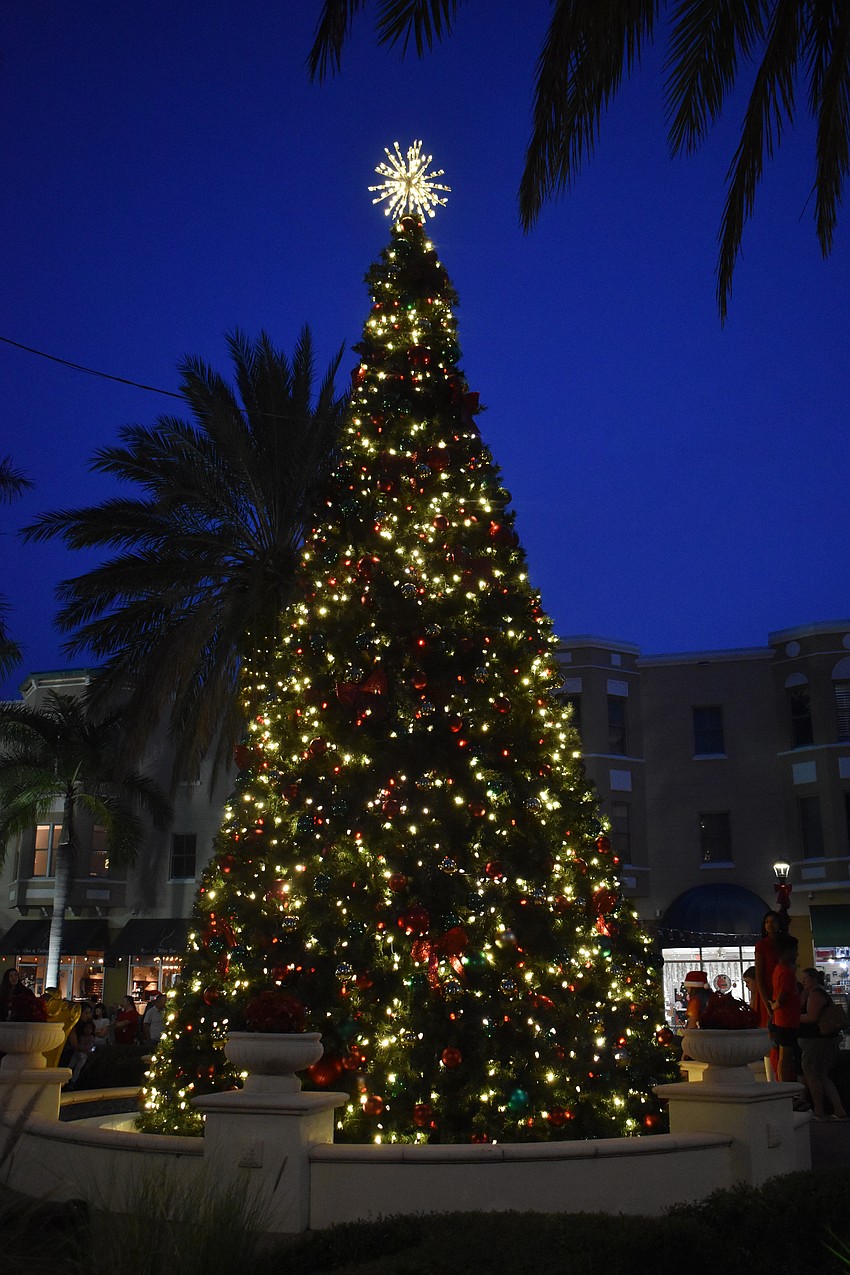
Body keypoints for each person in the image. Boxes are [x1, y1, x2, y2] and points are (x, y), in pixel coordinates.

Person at [798, 967, 848, 1121]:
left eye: (805, 978)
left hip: (816, 1040)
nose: (803, 981)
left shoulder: (815, 994)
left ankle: (819, 1111)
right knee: (822, 1076)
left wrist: (795, 1017)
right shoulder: (817, 993)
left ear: (813, 979)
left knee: (813, 1075)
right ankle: (838, 1110)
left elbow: (812, 1017)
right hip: (822, 1040)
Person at [770, 932, 801, 1083]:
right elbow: (783, 997)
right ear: (787, 951)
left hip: (783, 1019)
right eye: (795, 950)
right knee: (786, 1055)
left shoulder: (778, 969)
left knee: (784, 1055)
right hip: (786, 1020)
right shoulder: (786, 971)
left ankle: (783, 1084)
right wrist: (775, 1006)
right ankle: (783, 1085)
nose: (797, 953)